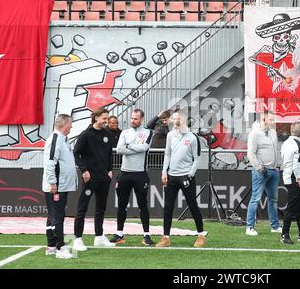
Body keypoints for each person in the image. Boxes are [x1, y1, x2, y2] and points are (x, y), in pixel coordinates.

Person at [156, 109, 206, 248]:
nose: (173, 121)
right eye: (173, 118)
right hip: (172, 176)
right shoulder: (171, 135)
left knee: (192, 205)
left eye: (176, 118)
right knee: (168, 207)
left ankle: (201, 235)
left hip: (186, 177)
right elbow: (167, 154)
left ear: (183, 120)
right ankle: (165, 238)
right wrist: (164, 172)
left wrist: (189, 175)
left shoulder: (192, 137)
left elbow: (197, 159)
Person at [72, 108, 115, 251]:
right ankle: (77, 238)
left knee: (101, 208)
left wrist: (110, 170)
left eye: (107, 118)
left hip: (104, 177)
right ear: (96, 117)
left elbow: (109, 155)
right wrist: (84, 170)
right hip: (90, 178)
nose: (106, 121)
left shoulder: (108, 134)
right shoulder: (86, 134)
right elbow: (76, 153)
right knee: (82, 208)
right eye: (104, 118)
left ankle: (99, 237)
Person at [110, 109, 155, 246]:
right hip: (124, 173)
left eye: (135, 119)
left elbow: (145, 147)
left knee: (143, 205)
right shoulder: (125, 133)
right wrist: (134, 147)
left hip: (140, 174)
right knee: (122, 205)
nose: (132, 121)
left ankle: (146, 235)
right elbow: (119, 150)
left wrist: (129, 146)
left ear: (141, 119)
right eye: (131, 118)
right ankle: (119, 234)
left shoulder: (148, 132)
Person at [42, 114, 78, 259]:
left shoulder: (64, 140)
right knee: (57, 216)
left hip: (61, 185)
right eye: (70, 124)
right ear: (63, 124)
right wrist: (52, 182)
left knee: (53, 216)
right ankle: (60, 247)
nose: (71, 126)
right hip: (57, 185)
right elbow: (50, 162)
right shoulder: (56, 139)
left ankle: (51, 246)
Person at [245, 110, 282, 236]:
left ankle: (275, 226)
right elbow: (251, 153)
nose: (273, 121)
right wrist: (258, 167)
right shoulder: (254, 134)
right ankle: (249, 227)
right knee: (255, 198)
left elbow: (277, 149)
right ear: (264, 120)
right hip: (261, 171)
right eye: (271, 119)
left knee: (273, 199)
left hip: (274, 170)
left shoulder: (273, 131)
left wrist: (278, 165)